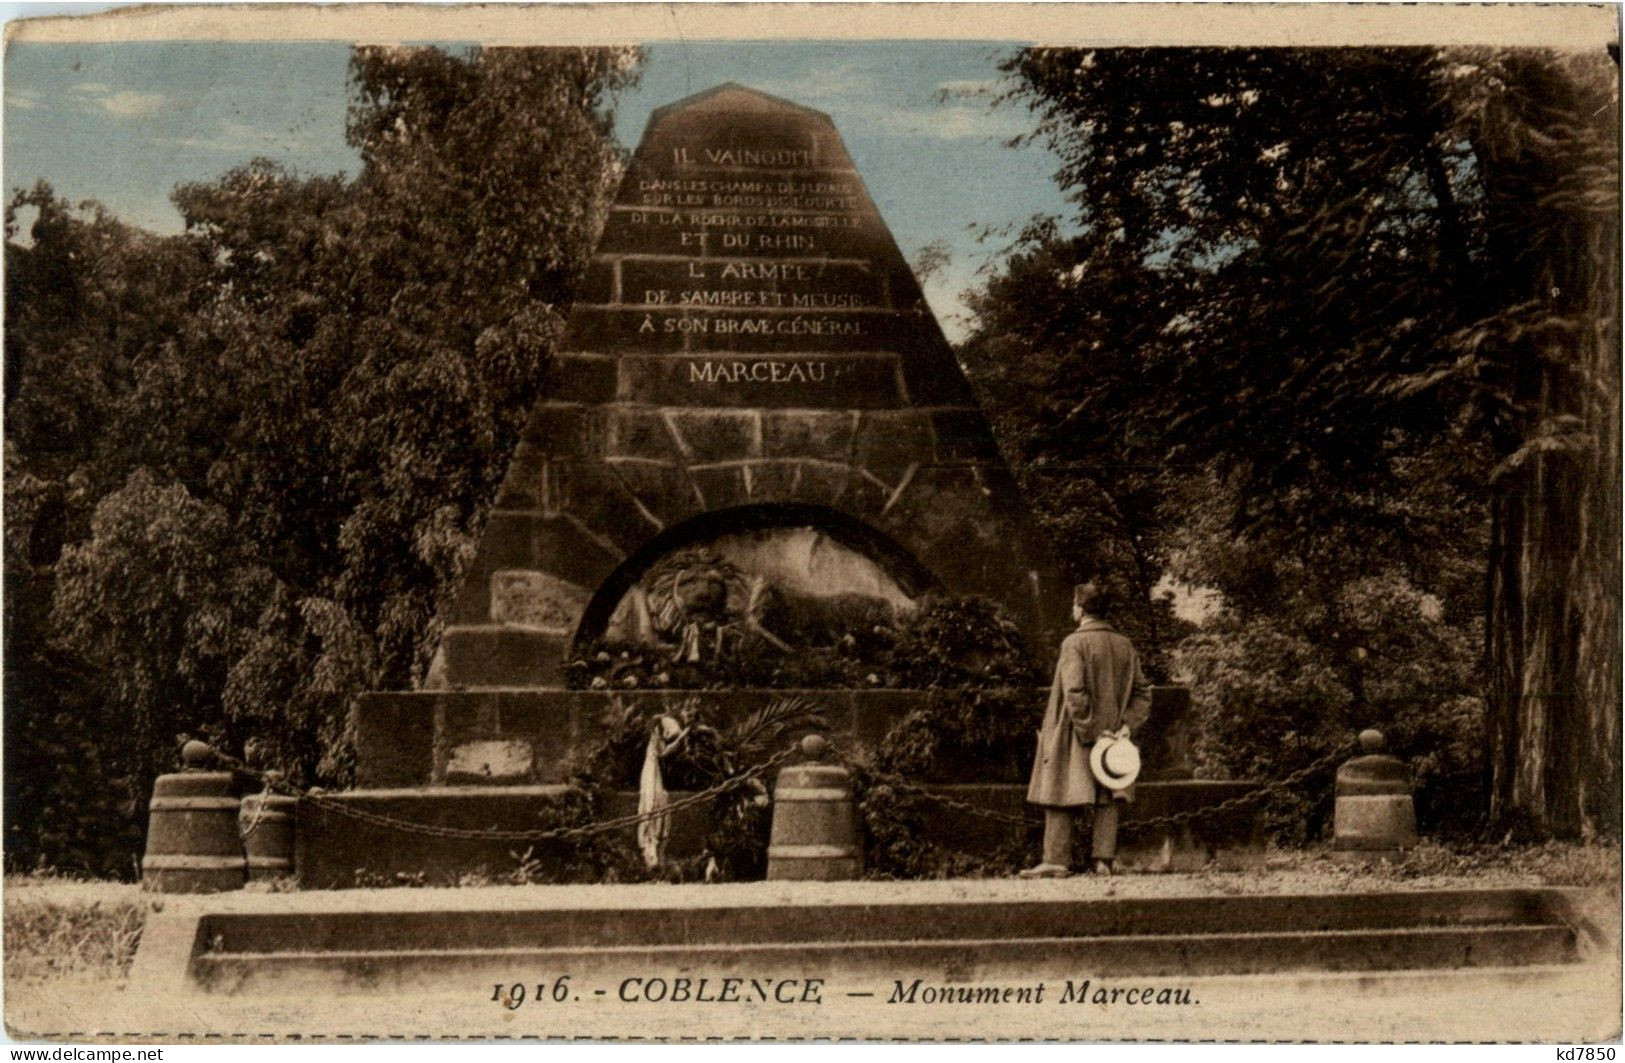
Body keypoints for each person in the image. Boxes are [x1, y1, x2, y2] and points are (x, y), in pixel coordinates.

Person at [1020, 582, 1152, 878]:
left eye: (1074, 603)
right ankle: (1103, 860)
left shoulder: (1073, 644)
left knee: (1058, 787)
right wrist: (1125, 727)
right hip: (1114, 734)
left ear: (1080, 609)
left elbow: (1075, 692)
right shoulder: (1125, 645)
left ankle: (1056, 859)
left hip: (1076, 731)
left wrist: (1091, 731)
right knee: (1109, 792)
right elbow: (1143, 693)